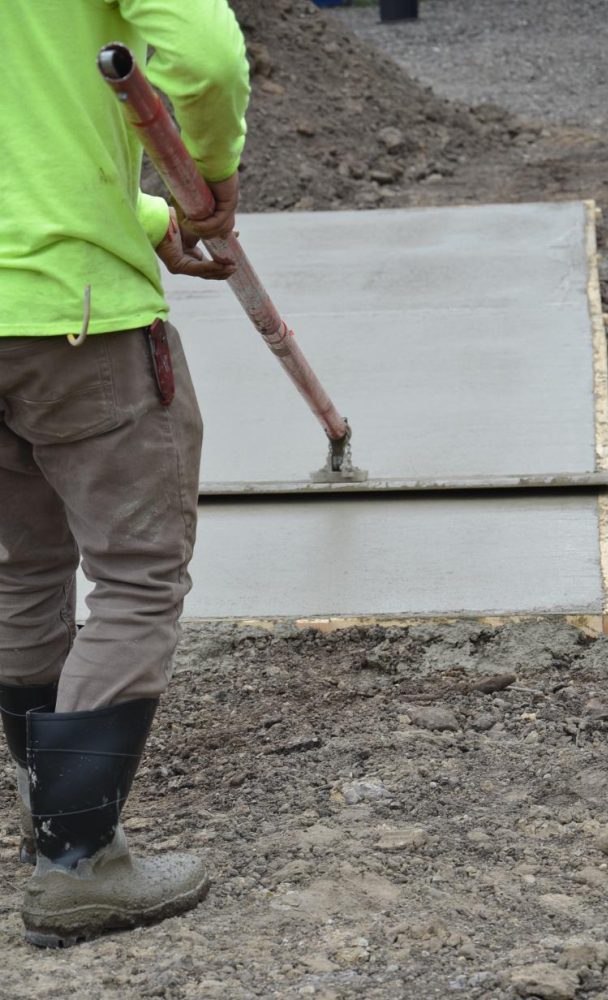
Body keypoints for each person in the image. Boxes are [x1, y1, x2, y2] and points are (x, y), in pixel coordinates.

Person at [0, 0, 250, 947]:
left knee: (21, 571)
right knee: (137, 577)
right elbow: (207, 57)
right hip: (73, 312)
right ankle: (78, 863)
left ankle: (51, 818)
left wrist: (143, 214)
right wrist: (210, 177)